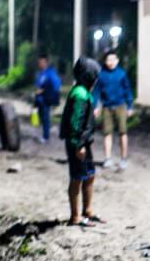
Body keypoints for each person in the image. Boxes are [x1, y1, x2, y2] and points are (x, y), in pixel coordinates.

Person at [60, 57, 103, 227]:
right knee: (77, 178)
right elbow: (75, 122)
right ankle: (75, 217)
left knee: (90, 174)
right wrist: (79, 144)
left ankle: (88, 211)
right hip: (77, 143)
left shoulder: (84, 92)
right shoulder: (80, 94)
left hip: (84, 142)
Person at [93, 49, 134, 171]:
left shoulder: (121, 74)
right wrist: (95, 106)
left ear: (117, 61)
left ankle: (123, 159)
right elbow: (96, 92)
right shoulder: (101, 75)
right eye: (108, 60)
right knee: (107, 133)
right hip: (106, 107)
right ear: (105, 61)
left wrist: (130, 105)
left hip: (120, 106)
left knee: (123, 132)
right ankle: (107, 159)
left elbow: (127, 90)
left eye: (113, 60)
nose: (110, 62)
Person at [34, 53, 62, 142]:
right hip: (39, 100)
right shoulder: (39, 74)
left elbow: (56, 85)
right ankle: (45, 133)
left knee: (46, 117)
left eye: (42, 62)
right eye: (39, 62)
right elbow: (37, 86)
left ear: (46, 62)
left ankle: (46, 136)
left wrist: (44, 90)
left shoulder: (50, 73)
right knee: (41, 117)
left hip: (46, 99)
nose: (40, 64)